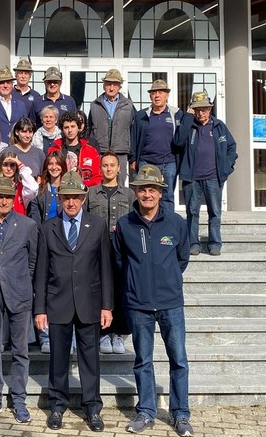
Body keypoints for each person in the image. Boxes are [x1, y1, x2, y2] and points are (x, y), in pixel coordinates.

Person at [113, 164, 192, 436]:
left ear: (161, 192)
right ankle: (146, 411)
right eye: (142, 189)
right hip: (139, 305)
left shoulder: (176, 223)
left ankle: (180, 414)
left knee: (178, 359)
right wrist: (137, 283)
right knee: (143, 360)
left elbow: (182, 259)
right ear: (135, 191)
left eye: (152, 189)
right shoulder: (124, 225)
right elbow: (119, 262)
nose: (147, 194)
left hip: (171, 303)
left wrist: (166, 279)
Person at [34, 171, 113, 433]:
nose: (71, 203)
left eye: (76, 198)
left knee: (90, 359)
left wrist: (107, 306)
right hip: (58, 304)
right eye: (67, 197)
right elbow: (42, 272)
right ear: (60, 197)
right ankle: (57, 405)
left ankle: (92, 408)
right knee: (58, 359)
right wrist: (40, 309)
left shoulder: (98, 225)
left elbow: (105, 268)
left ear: (83, 198)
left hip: (89, 303)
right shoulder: (48, 228)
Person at [0, 177, 39, 424]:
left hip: (19, 293)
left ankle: (19, 399)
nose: (3, 201)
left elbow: (32, 261)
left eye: (8, 197)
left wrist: (23, 283)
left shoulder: (28, 225)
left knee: (21, 350)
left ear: (14, 199)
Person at [174, 91, 237, 257]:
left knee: (215, 211)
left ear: (210, 109)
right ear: (192, 110)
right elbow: (178, 142)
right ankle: (193, 243)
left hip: (213, 177)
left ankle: (215, 243)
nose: (201, 113)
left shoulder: (219, 126)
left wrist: (226, 167)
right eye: (197, 109)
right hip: (192, 178)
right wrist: (187, 119)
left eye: (204, 109)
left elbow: (232, 147)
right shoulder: (188, 125)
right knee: (192, 212)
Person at [86, 151, 136, 355]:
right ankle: (103, 333)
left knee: (120, 290)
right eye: (105, 165)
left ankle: (119, 334)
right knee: (100, 290)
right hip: (98, 248)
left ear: (119, 168)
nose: (108, 169)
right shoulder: (91, 193)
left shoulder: (128, 194)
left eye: (112, 165)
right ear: (100, 168)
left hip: (121, 249)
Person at [26, 151, 67, 354]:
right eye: (50, 164)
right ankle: (45, 335)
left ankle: (66, 335)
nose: (53, 167)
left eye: (57, 163)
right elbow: (34, 220)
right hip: (45, 244)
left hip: (66, 245)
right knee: (43, 288)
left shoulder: (69, 190)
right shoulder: (40, 192)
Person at [130, 79, 183, 211]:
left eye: (160, 92)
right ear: (150, 96)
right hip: (146, 162)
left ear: (167, 95)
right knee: (144, 195)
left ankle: (168, 226)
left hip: (169, 162)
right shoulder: (141, 115)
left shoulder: (176, 114)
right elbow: (134, 137)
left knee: (167, 195)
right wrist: (133, 159)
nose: (157, 95)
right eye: (154, 92)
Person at [87, 69, 135, 186]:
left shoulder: (128, 105)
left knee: (120, 184)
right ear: (104, 86)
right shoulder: (94, 105)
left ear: (119, 87)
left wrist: (132, 156)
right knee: (99, 183)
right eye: (108, 84)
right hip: (100, 151)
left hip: (121, 151)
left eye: (115, 84)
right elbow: (89, 129)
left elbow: (133, 130)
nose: (111, 88)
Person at [48, 111, 102, 187]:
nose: (70, 130)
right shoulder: (54, 150)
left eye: (73, 126)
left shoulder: (91, 152)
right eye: (66, 127)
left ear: (79, 128)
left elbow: (97, 177)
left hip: (84, 192)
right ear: (62, 130)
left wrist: (82, 185)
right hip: (60, 192)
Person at [0, 149, 38, 216]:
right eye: (5, 165)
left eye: (12, 165)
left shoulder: (22, 187)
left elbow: (33, 189)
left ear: (16, 167)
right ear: (0, 166)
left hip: (17, 224)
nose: (8, 169)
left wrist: (20, 165)